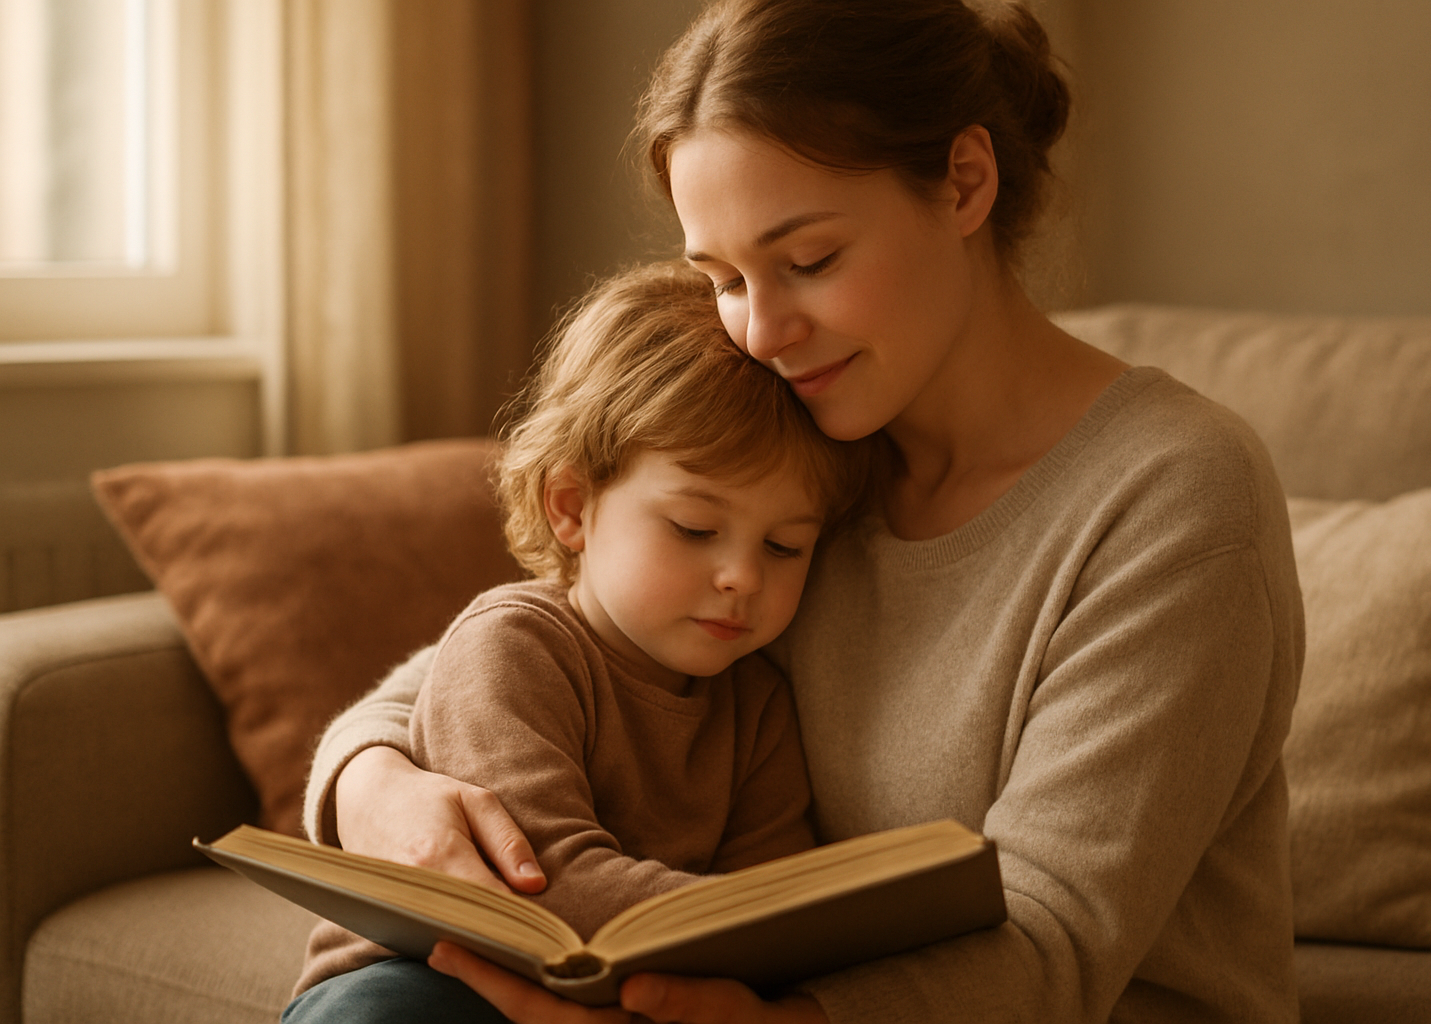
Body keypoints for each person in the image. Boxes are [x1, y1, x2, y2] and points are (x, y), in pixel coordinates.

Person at [299, 1, 1306, 1022]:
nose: (762, 330)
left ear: (965, 181)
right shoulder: (815, 445)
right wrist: (372, 782)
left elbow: (1052, 937)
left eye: (811, 261)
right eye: (724, 277)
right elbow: (533, 640)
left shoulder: (1173, 493)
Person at [285, 262, 875, 1021]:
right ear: (571, 507)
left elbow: (770, 914)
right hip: (430, 973)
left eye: (786, 546)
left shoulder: (757, 706)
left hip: (622, 986)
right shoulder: (513, 647)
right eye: (695, 530)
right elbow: (542, 879)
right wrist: (764, 918)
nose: (742, 577)